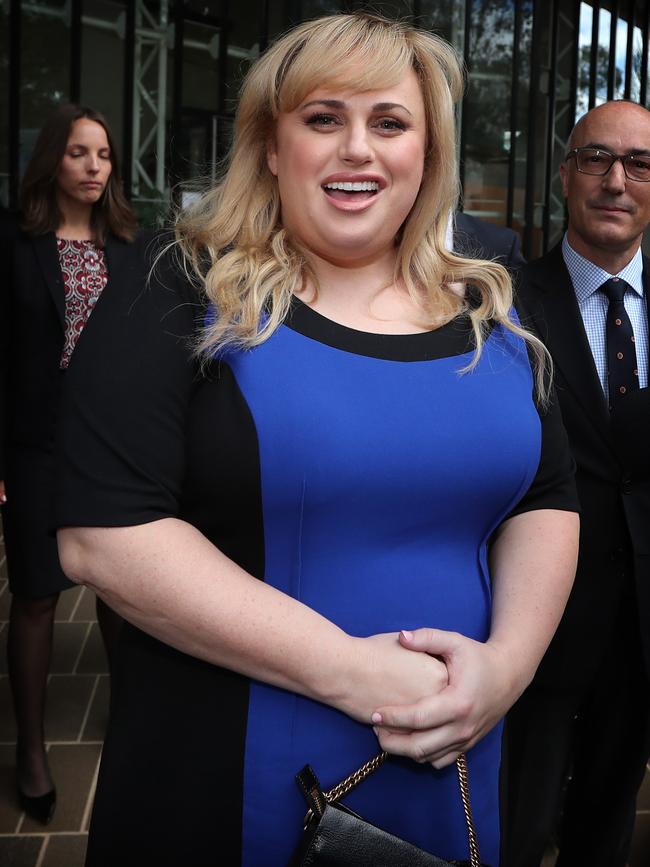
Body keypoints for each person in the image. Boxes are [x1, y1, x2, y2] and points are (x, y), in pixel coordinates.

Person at [54, 14, 578, 867]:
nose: (357, 150)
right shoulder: (177, 285)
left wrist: (507, 668)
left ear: (428, 150)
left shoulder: (494, 305)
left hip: (461, 760)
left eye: (390, 122)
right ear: (270, 144)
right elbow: (104, 536)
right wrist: (353, 673)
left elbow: (550, 496)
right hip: (223, 784)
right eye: (323, 118)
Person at [506, 99, 650, 867]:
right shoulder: (500, 306)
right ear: (566, 174)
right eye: (596, 158)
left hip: (642, 636)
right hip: (536, 624)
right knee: (513, 828)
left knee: (605, 828)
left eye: (639, 163)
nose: (616, 180)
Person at [0, 103, 140, 825]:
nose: (94, 167)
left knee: (121, 593)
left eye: (105, 155)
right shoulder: (17, 244)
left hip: (111, 443)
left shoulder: (129, 241)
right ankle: (30, 748)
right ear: (53, 159)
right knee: (36, 596)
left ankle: (135, 731)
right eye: (80, 153)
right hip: (35, 443)